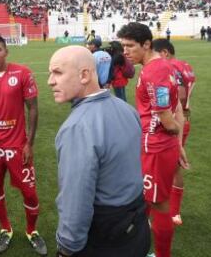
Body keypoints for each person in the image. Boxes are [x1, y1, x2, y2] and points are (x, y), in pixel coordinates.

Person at [48, 46, 150, 257]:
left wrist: (67, 248)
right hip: (137, 226)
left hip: (106, 237)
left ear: (84, 75)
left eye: (57, 72)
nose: (50, 80)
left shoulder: (77, 127)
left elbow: (76, 201)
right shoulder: (126, 109)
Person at [117, 23, 187, 257]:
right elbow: (175, 105)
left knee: (159, 204)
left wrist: (174, 131)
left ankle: (162, 254)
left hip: (155, 146)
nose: (125, 51)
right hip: (157, 144)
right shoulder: (162, 66)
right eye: (122, 46)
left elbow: (166, 116)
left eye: (129, 46)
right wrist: (177, 142)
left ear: (146, 44)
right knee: (149, 198)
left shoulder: (153, 71)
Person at [0, 34, 47, 255]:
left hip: (17, 146)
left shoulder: (22, 73)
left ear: (6, 51)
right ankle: (5, 229)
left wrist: (29, 143)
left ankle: (31, 231)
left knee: (30, 193)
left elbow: (32, 108)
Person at [151, 39, 196, 226]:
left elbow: (181, 94)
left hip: (173, 122)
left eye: (154, 54)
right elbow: (188, 91)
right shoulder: (185, 65)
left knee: (161, 167)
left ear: (164, 53)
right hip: (184, 119)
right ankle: (174, 212)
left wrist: (165, 113)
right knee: (175, 165)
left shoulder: (170, 67)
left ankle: (167, 213)